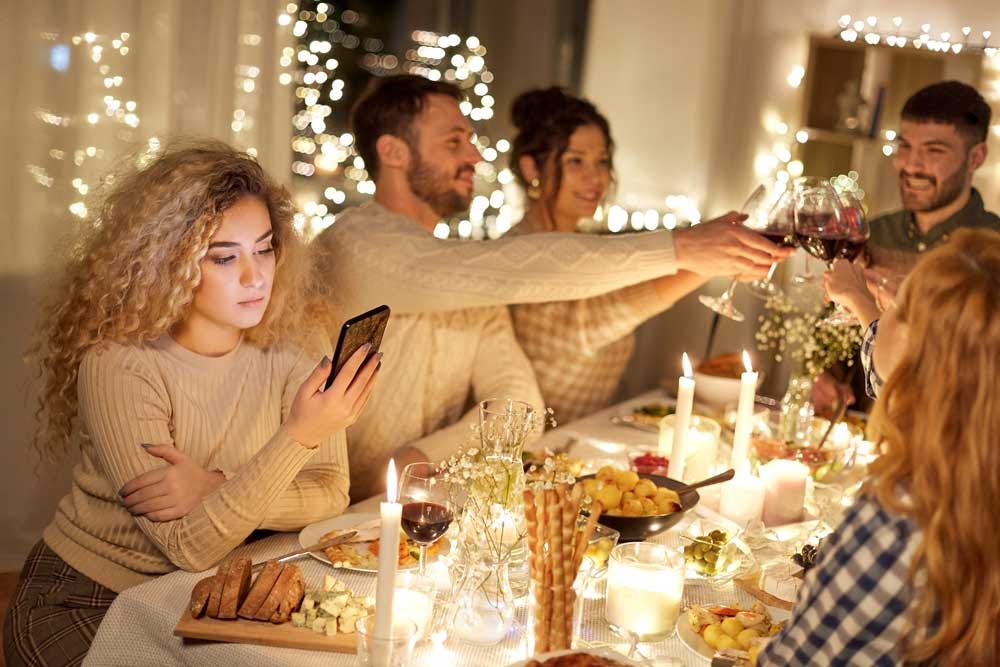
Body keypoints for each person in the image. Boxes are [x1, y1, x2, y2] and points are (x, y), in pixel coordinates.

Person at [313, 75, 790, 495]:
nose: (476, 155)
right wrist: (683, 248)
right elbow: (515, 271)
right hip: (319, 515)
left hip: (404, 502)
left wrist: (417, 458)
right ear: (392, 151)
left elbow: (521, 407)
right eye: (455, 142)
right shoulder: (361, 243)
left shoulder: (462, 273)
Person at [3, 141, 379, 666]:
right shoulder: (119, 365)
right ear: (165, 264)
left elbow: (329, 493)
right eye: (224, 257)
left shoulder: (292, 345)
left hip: (205, 598)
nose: (256, 277)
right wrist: (298, 435)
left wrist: (215, 486)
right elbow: (189, 546)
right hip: (89, 598)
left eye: (265, 248)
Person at [759, 228, 1000, 666]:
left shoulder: (898, 521)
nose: (883, 309)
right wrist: (865, 306)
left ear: (922, 355)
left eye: (900, 306)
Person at [505, 87, 710, 422]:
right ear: (532, 168)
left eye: (601, 161)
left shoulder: (586, 249)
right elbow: (596, 322)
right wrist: (707, 262)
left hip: (581, 443)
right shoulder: (520, 250)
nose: (596, 177)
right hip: (525, 450)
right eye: (575, 161)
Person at [814, 80, 999, 413]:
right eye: (904, 146)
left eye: (933, 151)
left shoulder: (991, 250)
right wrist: (826, 376)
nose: (910, 165)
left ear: (976, 157)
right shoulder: (873, 233)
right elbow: (833, 336)